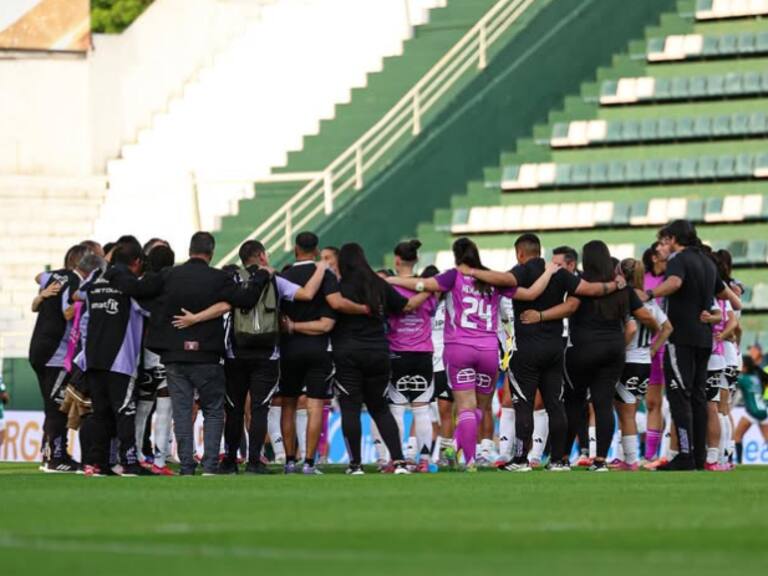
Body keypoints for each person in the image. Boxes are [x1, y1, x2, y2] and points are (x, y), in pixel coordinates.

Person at [387, 237, 559, 470]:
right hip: (488, 351)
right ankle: (467, 450)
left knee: (465, 407)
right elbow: (529, 294)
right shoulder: (493, 279)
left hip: (459, 348)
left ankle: (468, 461)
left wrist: (390, 280)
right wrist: (548, 273)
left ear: (456, 257)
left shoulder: (452, 276)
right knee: (480, 408)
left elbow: (423, 286)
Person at [104, 232, 268, 475]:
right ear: (210, 253)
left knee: (181, 412)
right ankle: (211, 465)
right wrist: (262, 274)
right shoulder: (218, 278)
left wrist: (112, 268)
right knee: (213, 410)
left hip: (174, 356)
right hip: (208, 356)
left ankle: (187, 467)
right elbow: (246, 299)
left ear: (189, 250)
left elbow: (135, 288)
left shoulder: (169, 275)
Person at [466, 233, 628, 471]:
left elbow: (502, 279)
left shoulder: (521, 271)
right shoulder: (559, 272)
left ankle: (521, 459)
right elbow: (589, 291)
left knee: (524, 404)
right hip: (555, 348)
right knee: (555, 405)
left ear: (520, 253)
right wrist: (615, 284)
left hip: (527, 348)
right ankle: (558, 460)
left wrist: (472, 271)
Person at [523, 241, 659, 471]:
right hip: (614, 350)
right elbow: (646, 317)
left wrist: (541, 315)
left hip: (582, 349)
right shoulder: (622, 286)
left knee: (573, 404)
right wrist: (653, 341)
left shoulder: (582, 283)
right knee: (603, 404)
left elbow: (569, 308)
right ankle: (600, 461)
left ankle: (562, 457)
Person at [645, 220, 742, 470]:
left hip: (681, 337)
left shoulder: (679, 259)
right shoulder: (708, 262)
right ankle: (699, 456)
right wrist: (713, 315)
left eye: (666, 239)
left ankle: (685, 455)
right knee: (699, 397)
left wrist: (651, 293)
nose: (664, 244)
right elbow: (732, 299)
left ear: (675, 239)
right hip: (704, 339)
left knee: (679, 396)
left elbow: (675, 283)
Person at [332, 243, 430, 475]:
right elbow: (405, 306)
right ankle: (398, 461)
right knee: (380, 408)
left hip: (348, 353)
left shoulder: (340, 287)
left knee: (350, 408)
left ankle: (355, 465)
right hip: (378, 352)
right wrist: (428, 291)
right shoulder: (378, 284)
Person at [278, 232, 367, 474]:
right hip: (319, 349)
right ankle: (308, 462)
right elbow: (327, 324)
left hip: (289, 349)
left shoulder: (283, 277)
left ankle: (288, 461)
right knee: (315, 406)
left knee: (288, 404)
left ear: (295, 249)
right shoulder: (326, 276)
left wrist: (293, 327)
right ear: (316, 252)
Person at [78, 241, 151, 476]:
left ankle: (98, 463)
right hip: (121, 359)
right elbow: (149, 310)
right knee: (125, 411)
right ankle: (129, 462)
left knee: (100, 413)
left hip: (94, 358)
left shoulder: (94, 285)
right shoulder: (131, 287)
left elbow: (84, 321)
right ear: (137, 262)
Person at [29, 244, 94, 472]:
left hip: (39, 349)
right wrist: (90, 298)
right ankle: (57, 457)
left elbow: (38, 276)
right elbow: (68, 311)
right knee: (58, 404)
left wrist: (42, 294)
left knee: (51, 404)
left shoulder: (57, 276)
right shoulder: (75, 280)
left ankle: (50, 453)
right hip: (56, 353)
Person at [612, 258, 672, 470]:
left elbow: (631, 329)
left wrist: (618, 349)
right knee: (629, 410)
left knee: (625, 412)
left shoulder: (626, 298)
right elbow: (667, 328)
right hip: (645, 361)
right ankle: (625, 457)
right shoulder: (650, 301)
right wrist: (654, 349)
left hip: (628, 360)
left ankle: (629, 460)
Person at [386, 240, 438, 472]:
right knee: (421, 408)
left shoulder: (388, 287)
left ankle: (395, 459)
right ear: (416, 260)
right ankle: (424, 460)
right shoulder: (428, 288)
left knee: (396, 409)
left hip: (397, 351)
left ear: (397, 260)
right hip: (423, 353)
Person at [641, 241, 669, 466]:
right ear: (653, 256)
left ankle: (655, 453)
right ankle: (646, 455)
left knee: (657, 402)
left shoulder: (673, 280)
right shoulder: (644, 280)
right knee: (648, 402)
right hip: (642, 346)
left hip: (666, 344)